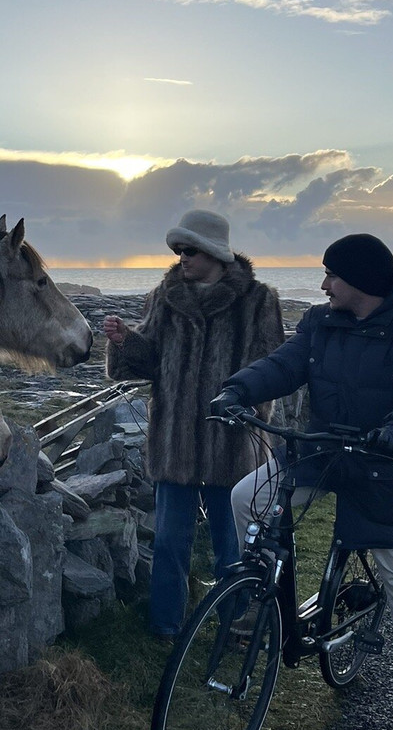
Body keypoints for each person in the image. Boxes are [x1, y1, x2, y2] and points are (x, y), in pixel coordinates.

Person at [210, 233, 393, 730]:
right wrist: (237, 388)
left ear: (360, 281)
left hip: (386, 464)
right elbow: (286, 364)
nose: (323, 285)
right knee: (243, 499)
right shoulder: (322, 322)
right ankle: (264, 602)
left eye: (331, 275)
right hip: (319, 453)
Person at [104, 209, 285, 644]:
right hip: (174, 442)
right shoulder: (163, 297)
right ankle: (165, 627)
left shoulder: (258, 301)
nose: (180, 257)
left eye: (189, 250)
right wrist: (125, 341)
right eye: (177, 250)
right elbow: (148, 364)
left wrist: (254, 415)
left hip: (232, 443)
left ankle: (235, 624)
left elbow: (275, 368)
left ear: (215, 252)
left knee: (232, 543)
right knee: (169, 542)